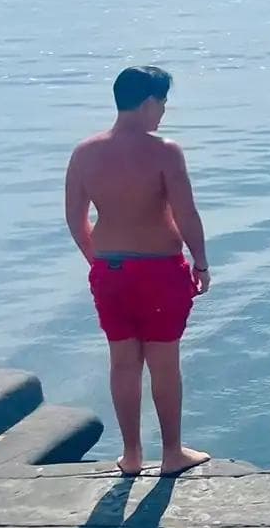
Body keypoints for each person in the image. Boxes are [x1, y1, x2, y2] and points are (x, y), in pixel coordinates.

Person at [65, 65, 212, 477]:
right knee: (164, 364)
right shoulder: (165, 151)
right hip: (160, 272)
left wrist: (101, 262)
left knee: (122, 363)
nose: (163, 111)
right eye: (162, 102)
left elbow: (76, 221)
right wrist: (200, 262)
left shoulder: (84, 153)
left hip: (110, 272)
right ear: (149, 103)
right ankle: (170, 453)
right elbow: (186, 213)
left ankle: (131, 456)